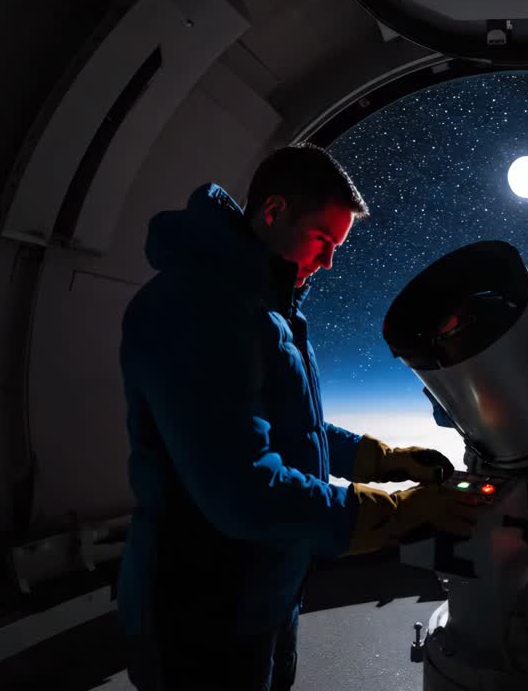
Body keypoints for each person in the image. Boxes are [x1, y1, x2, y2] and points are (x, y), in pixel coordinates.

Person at [116, 143, 479, 690]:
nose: (330, 261)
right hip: (200, 606)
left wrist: (384, 460)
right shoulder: (198, 308)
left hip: (263, 587)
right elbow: (245, 490)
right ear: (273, 212)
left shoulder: (265, 308)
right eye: (324, 240)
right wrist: (399, 510)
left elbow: (293, 431)